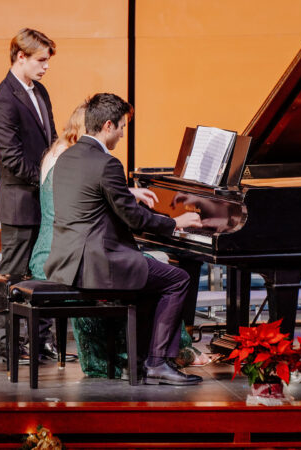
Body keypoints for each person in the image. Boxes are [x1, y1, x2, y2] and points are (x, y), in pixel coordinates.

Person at [44, 93, 204, 385]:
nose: (121, 134)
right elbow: (134, 218)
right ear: (107, 125)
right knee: (178, 279)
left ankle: (140, 358)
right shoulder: (108, 164)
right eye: (121, 127)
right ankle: (157, 363)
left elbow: (96, 202)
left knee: (153, 278)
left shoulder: (67, 157)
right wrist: (174, 222)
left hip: (67, 261)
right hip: (99, 263)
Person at [0, 28, 58, 361]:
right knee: (13, 273)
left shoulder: (40, 91)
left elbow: (52, 140)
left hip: (42, 200)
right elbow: (11, 159)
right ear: (21, 57)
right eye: (41, 60)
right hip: (19, 202)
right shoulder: (2, 99)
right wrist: (44, 179)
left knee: (43, 271)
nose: (46, 67)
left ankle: (39, 340)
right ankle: (8, 343)